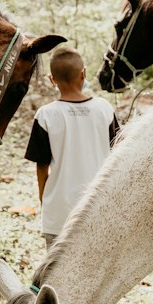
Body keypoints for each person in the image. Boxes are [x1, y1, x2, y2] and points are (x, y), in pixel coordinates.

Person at [24, 47, 120, 251]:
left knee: (57, 274)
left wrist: (45, 201)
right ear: (83, 74)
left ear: (52, 80)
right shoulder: (105, 110)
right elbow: (118, 158)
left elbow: (42, 168)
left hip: (59, 215)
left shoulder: (46, 116)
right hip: (98, 210)